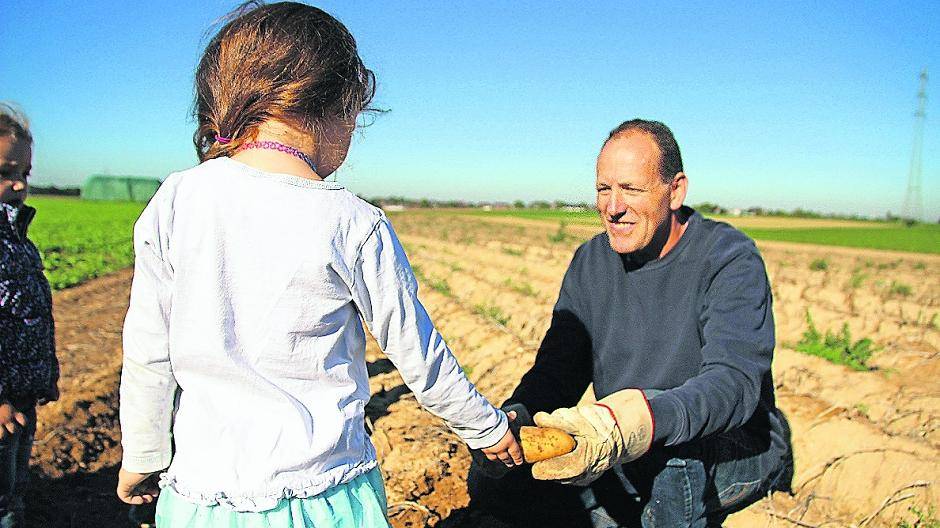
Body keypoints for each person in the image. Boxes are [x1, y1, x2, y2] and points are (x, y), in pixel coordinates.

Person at [115, 3, 522, 527]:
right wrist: (486, 428)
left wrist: (143, 456)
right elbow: (418, 354)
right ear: (333, 105)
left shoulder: (175, 199)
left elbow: (148, 348)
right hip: (323, 496)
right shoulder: (351, 221)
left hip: (205, 499)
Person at [468, 119, 792, 528]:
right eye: (604, 189)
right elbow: (559, 369)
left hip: (730, 446)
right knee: (493, 483)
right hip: (626, 443)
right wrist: (520, 415)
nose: (613, 207)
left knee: (672, 455)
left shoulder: (728, 258)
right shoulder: (591, 261)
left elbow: (733, 385)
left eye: (631, 189)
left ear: (675, 191)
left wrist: (640, 420)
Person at [0, 103, 60, 528]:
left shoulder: (19, 239)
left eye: (25, 171)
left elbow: (34, 313)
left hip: (22, 393)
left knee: (16, 480)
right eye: (5, 172)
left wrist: (47, 374)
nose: (19, 184)